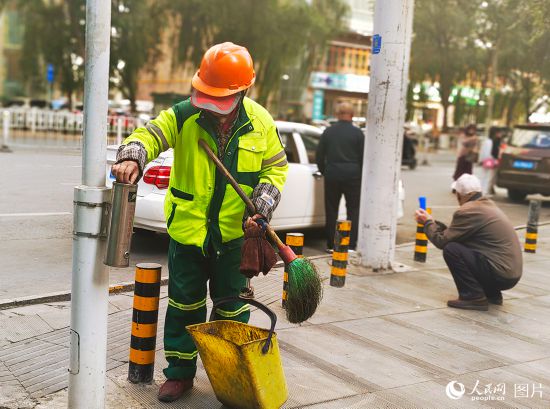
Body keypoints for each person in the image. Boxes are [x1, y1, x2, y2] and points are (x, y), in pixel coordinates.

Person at [111, 42, 288, 402]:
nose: (210, 104)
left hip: (235, 238)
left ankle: (230, 372)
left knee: (232, 308)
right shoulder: (183, 114)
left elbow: (276, 169)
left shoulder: (261, 122)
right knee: (184, 305)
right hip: (188, 234)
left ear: (242, 91)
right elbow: (149, 134)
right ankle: (179, 373)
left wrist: (263, 204)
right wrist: (132, 156)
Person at [414, 174, 522, 311]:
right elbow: (453, 234)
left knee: (452, 249)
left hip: (500, 274)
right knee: (461, 247)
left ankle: (473, 297)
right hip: (509, 274)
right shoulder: (487, 205)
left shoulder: (468, 210)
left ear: (460, 195)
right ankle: (492, 295)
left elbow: (442, 241)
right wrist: (431, 222)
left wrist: (427, 222)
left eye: (456, 193)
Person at [315, 102, 364, 252]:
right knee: (353, 210)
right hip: (353, 175)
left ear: (337, 115)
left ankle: (331, 244)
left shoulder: (328, 132)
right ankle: (350, 245)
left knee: (331, 210)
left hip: (333, 174)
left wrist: (325, 171)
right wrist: (359, 174)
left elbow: (319, 156)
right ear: (352, 114)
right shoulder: (358, 133)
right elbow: (363, 157)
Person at [479, 128, 503, 196]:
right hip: (489, 160)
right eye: (499, 133)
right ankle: (483, 191)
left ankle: (484, 191)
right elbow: (486, 152)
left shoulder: (495, 141)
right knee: (486, 176)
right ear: (495, 133)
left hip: (489, 160)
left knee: (487, 176)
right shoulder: (489, 141)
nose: (500, 134)